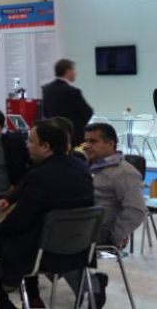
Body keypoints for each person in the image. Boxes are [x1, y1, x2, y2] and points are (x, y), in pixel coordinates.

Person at [0, 120, 94, 309]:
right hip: (79, 248)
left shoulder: (39, 176)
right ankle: (31, 297)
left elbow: (19, 221)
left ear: (45, 147)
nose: (27, 145)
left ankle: (5, 300)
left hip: (45, 253)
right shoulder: (81, 168)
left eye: (31, 141)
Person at [59, 122, 146, 307]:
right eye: (85, 141)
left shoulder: (124, 172)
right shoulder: (86, 166)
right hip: (79, 225)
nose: (87, 145)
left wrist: (116, 235)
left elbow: (136, 210)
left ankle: (92, 287)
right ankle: (91, 285)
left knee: (57, 244)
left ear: (110, 144)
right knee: (43, 238)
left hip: (102, 229)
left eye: (93, 141)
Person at [42, 58, 93, 146]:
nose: (75, 73)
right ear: (67, 71)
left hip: (53, 135)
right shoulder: (72, 91)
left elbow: (45, 112)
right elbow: (87, 112)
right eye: (73, 70)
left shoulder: (47, 89)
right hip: (72, 137)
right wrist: (78, 127)